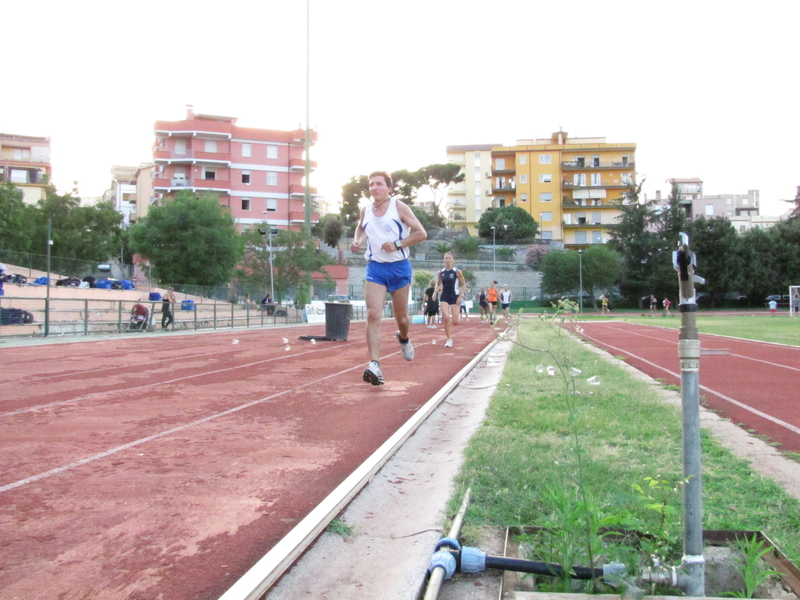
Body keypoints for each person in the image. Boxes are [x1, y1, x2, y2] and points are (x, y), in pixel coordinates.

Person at [350, 171, 427, 385]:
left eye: (379, 184)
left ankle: (403, 338)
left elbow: (421, 233)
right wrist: (357, 240)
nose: (374, 188)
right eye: (371, 184)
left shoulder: (399, 207)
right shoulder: (365, 209)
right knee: (373, 314)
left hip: (399, 268)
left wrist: (397, 244)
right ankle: (374, 364)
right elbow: (360, 227)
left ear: (389, 188)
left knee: (401, 319)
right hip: (375, 268)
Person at [436, 251, 467, 348]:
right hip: (444, 296)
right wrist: (434, 292)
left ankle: (456, 318)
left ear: (453, 260)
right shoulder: (441, 272)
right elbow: (438, 284)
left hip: (454, 297)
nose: (447, 260)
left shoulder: (457, 271)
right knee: (445, 318)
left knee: (455, 322)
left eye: (449, 258)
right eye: (446, 258)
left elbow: (464, 285)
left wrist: (460, 296)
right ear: (443, 260)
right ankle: (449, 339)